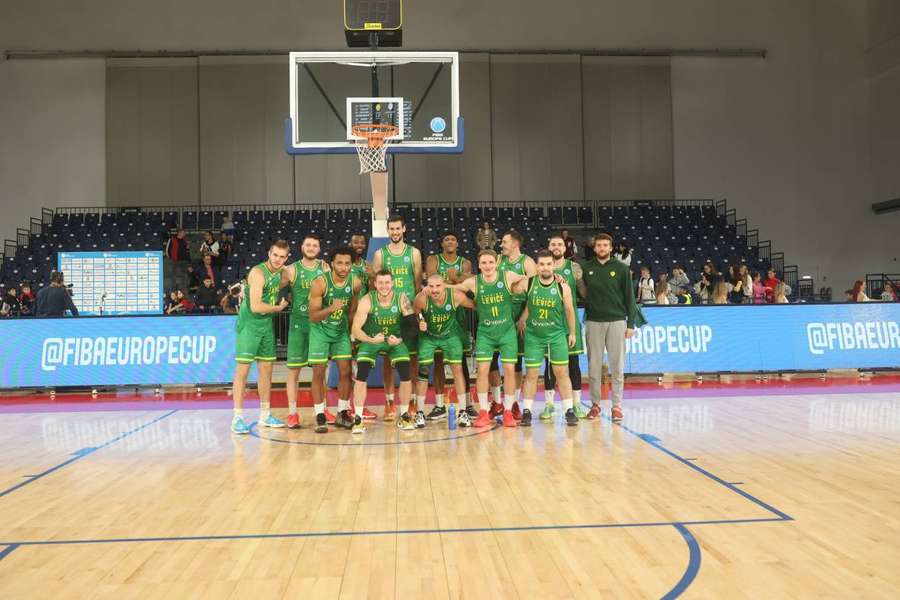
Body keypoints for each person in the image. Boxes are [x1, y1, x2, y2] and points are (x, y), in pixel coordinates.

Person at [449, 249, 531, 428]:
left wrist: (553, 277)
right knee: (482, 371)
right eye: (484, 263)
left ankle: (508, 411)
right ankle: (484, 412)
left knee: (510, 370)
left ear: (496, 263)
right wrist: (436, 286)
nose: (487, 266)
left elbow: (528, 278)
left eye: (490, 262)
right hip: (485, 333)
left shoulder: (507, 276)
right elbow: (456, 288)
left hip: (506, 332)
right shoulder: (473, 282)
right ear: (479, 265)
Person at [582, 233, 645, 423]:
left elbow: (630, 298)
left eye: (605, 245)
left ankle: (616, 406)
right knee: (594, 366)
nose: (602, 248)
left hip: (617, 321)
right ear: (594, 248)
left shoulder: (622, 269)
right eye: (599, 245)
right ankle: (595, 404)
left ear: (611, 248)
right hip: (593, 321)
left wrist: (631, 324)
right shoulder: (586, 268)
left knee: (617, 366)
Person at [230, 240, 291, 435]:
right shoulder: (258, 273)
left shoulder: (281, 274)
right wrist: (278, 308)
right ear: (269, 254)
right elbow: (256, 306)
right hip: (249, 325)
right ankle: (237, 418)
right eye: (275, 255)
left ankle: (265, 415)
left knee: (266, 370)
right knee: (243, 371)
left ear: (286, 258)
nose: (278, 260)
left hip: (266, 326)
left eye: (282, 257)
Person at [518, 250, 579, 427]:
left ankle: (569, 410)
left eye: (548, 264)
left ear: (553, 266)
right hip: (534, 336)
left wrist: (572, 332)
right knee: (531, 374)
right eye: (542, 264)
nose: (545, 267)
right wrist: (522, 317)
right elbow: (511, 287)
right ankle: (527, 411)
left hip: (556, 335)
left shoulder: (562, 287)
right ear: (537, 266)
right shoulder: (528, 283)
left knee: (561, 373)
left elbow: (569, 310)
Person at [351, 269, 416, 433]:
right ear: (375, 284)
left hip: (394, 340)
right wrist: (371, 340)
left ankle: (404, 415)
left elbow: (413, 326)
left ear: (393, 283)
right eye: (380, 282)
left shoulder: (401, 299)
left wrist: (400, 339)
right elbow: (356, 330)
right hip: (372, 340)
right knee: (361, 374)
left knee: (405, 372)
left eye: (387, 282)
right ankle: (358, 419)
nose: (384, 286)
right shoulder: (366, 300)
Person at [371, 216, 423, 422]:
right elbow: (374, 284)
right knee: (387, 359)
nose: (394, 232)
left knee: (412, 358)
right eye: (391, 229)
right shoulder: (379, 254)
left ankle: (410, 400)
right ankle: (389, 401)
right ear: (388, 230)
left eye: (397, 228)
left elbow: (418, 284)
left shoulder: (414, 253)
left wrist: (417, 311)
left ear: (404, 229)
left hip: (408, 312)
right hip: (386, 311)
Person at [308, 246, 361, 433]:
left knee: (346, 372)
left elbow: (353, 311)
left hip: (340, 332)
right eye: (339, 263)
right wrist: (331, 309)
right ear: (332, 263)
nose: (343, 267)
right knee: (319, 373)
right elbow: (313, 316)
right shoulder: (320, 283)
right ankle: (320, 414)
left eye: (347, 263)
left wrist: (351, 334)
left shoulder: (355, 282)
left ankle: (342, 412)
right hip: (320, 331)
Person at [281, 234, 330, 429]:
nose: (311, 247)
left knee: (320, 370)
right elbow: (272, 286)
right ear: (302, 246)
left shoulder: (325, 268)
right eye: (307, 244)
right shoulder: (291, 270)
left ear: (319, 249)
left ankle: (322, 409)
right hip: (298, 325)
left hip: (318, 325)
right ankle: (292, 413)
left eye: (314, 245)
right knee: (294, 371)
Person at [424, 232, 475, 420]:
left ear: (458, 243)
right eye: (446, 239)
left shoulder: (465, 262)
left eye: (453, 239)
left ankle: (467, 405)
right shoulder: (433, 260)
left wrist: (454, 281)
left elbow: (468, 285)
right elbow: (432, 283)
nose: (450, 241)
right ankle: (439, 405)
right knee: (438, 361)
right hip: (436, 313)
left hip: (458, 314)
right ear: (442, 243)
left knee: (460, 362)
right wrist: (457, 281)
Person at [414, 274, 476, 427]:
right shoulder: (421, 298)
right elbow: (416, 313)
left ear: (444, 286)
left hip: (450, 336)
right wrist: (420, 320)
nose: (434, 290)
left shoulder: (455, 296)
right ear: (426, 286)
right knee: (423, 370)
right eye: (431, 286)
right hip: (429, 337)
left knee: (457, 368)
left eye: (438, 286)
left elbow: (475, 304)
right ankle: (419, 413)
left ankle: (462, 412)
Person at [543, 233, 587, 420]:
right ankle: (549, 404)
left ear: (565, 247)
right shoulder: (543, 268)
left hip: (569, 321)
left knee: (573, 363)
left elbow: (584, 293)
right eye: (553, 244)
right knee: (549, 364)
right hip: (548, 322)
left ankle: (576, 404)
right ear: (549, 246)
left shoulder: (574, 268)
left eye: (559, 244)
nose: (556, 247)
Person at [494, 230, 536, 419]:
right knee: (493, 359)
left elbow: (534, 293)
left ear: (515, 244)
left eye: (504, 241)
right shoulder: (497, 260)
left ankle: (515, 403)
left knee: (516, 362)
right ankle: (497, 402)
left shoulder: (527, 262)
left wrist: (524, 317)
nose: (501, 244)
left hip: (519, 313)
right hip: (500, 313)